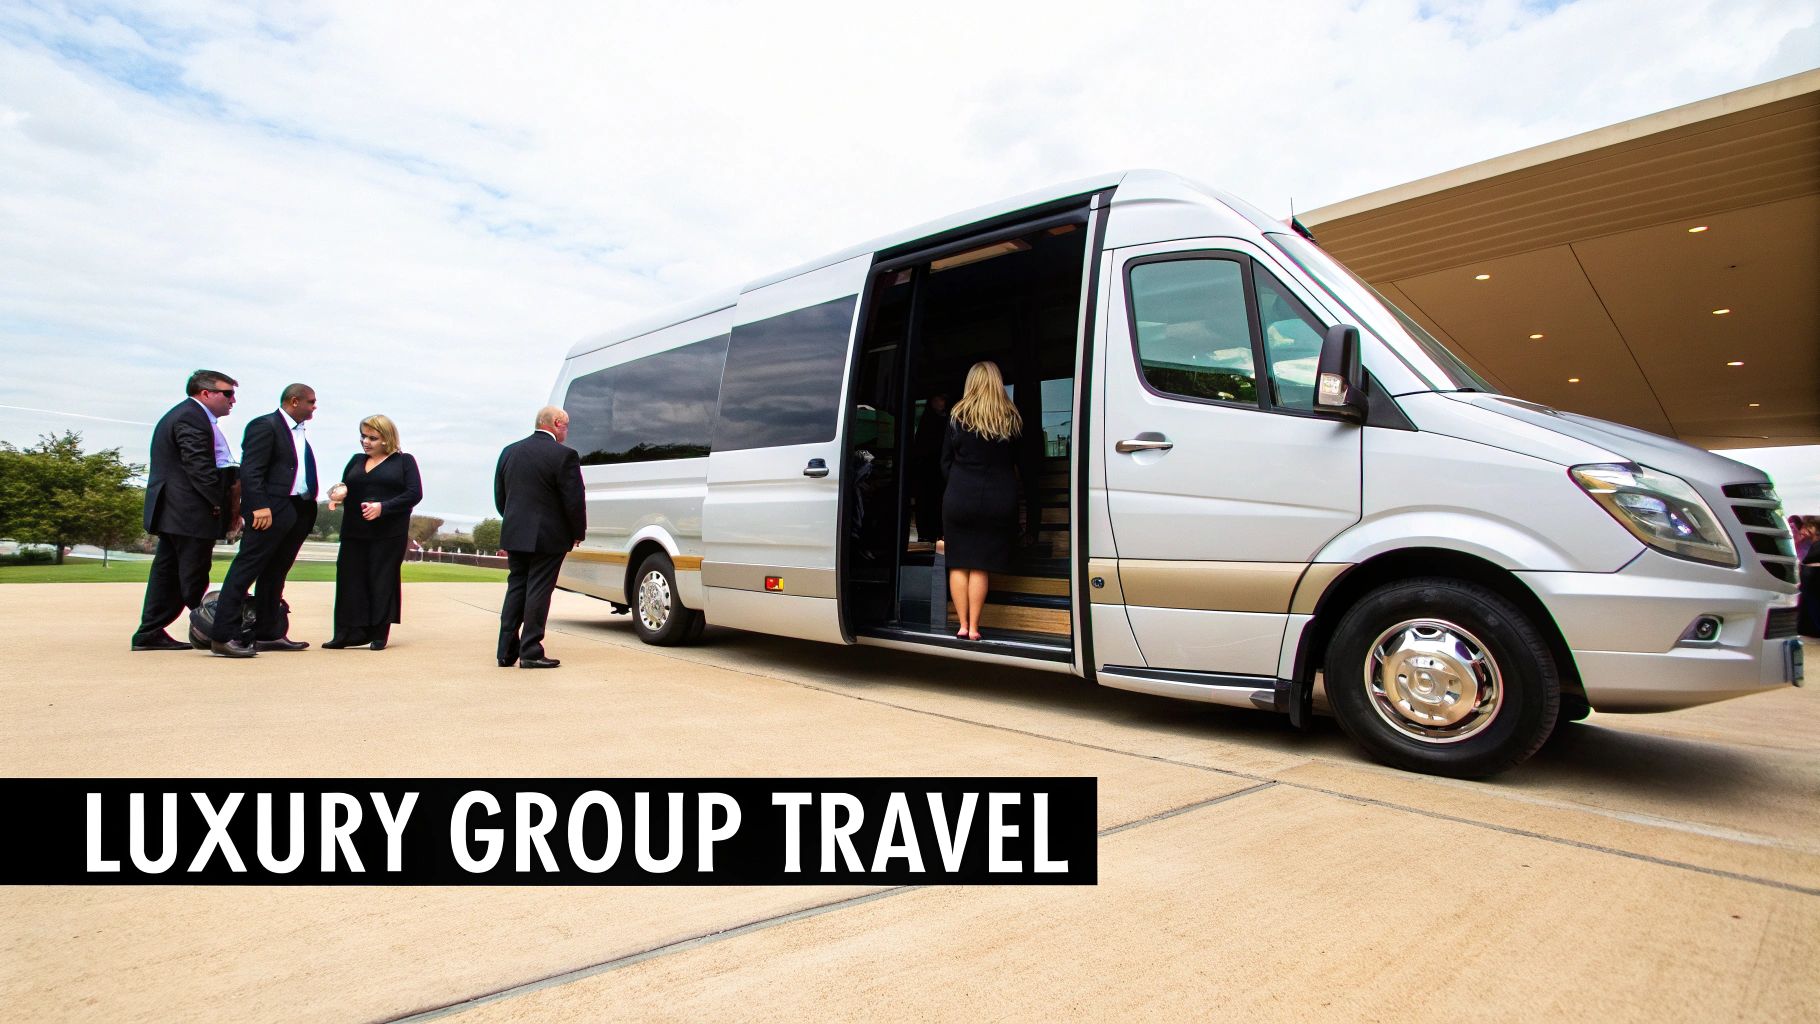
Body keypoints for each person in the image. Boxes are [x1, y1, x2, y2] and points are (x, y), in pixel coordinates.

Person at [131, 370, 241, 650]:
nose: (233, 400)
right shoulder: (191, 416)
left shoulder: (191, 416)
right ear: (206, 393)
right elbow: (199, 466)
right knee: (192, 572)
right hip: (188, 511)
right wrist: (221, 503)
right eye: (227, 393)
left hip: (176, 511)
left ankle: (149, 632)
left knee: (168, 572)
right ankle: (212, 629)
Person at [208, 383, 319, 657]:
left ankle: (269, 632)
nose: (314, 406)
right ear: (294, 401)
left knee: (276, 572)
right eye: (311, 402)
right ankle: (223, 635)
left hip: (297, 508)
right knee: (247, 568)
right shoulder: (265, 426)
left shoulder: (298, 432)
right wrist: (258, 506)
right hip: (269, 510)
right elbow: (252, 470)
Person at [495, 406, 586, 668]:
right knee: (539, 590)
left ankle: (505, 650)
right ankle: (531, 650)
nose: (567, 432)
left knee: (516, 588)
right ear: (557, 423)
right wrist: (577, 532)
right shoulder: (565, 455)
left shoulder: (509, 451)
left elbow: (501, 498)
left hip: (515, 532)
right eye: (566, 426)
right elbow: (573, 500)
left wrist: (515, 521)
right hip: (549, 536)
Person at [323, 415, 422, 651]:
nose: (365, 442)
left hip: (388, 533)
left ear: (387, 439)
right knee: (349, 579)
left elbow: (414, 494)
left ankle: (378, 632)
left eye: (372, 438)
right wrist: (338, 492)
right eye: (363, 436)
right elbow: (346, 485)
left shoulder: (404, 462)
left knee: (381, 579)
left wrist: (382, 508)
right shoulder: (356, 460)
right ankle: (347, 633)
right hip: (354, 530)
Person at [941, 361, 1022, 641]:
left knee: (959, 562)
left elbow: (945, 462)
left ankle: (962, 625)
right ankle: (975, 626)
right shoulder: (1010, 418)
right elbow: (1018, 462)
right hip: (998, 499)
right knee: (980, 564)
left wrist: (960, 482)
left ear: (971, 382)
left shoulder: (957, 416)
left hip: (961, 497)